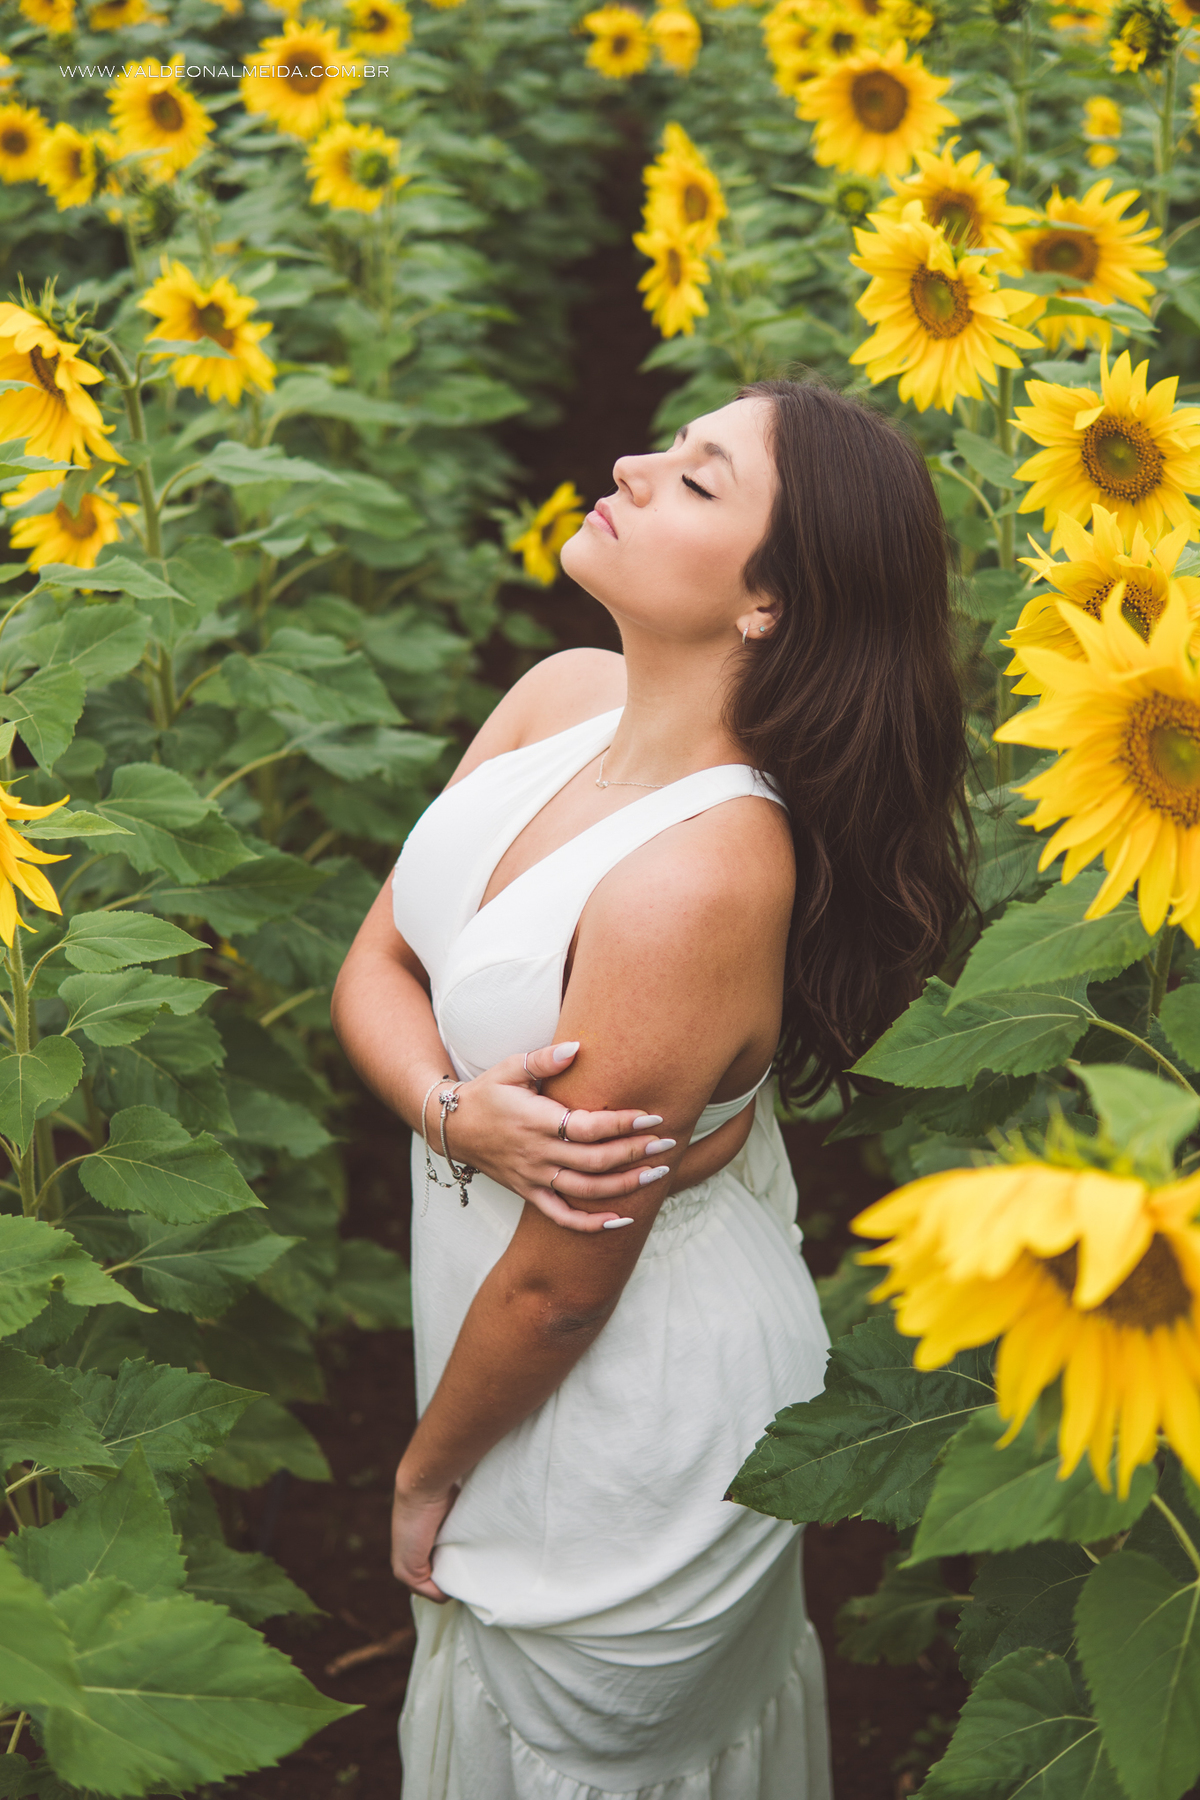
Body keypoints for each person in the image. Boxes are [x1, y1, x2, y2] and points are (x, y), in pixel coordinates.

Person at [332, 375, 974, 1799]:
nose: (627, 465)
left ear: (771, 603)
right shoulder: (558, 697)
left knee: (584, 1746)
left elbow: (565, 1281)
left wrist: (423, 1468)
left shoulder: (697, 879)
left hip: (624, 1382)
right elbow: (372, 964)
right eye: (669, 449)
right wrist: (456, 1112)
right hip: (509, 1314)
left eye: (696, 479)